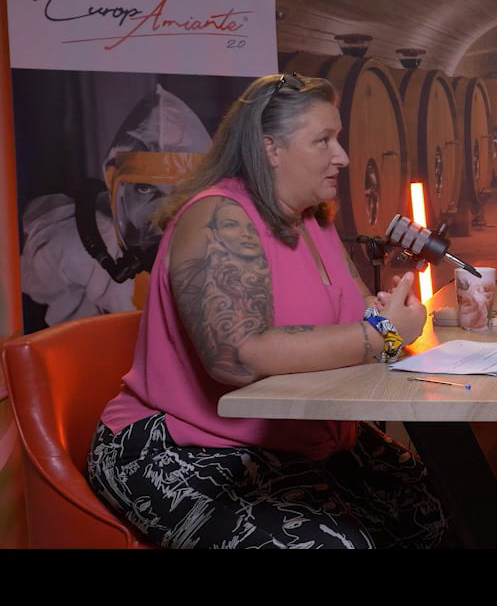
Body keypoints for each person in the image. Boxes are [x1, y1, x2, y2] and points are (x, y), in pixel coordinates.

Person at [86, 73, 449, 549]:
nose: (342, 156)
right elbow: (236, 358)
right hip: (182, 444)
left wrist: (392, 310)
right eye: (323, 140)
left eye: (337, 138)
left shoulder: (313, 219)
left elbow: (359, 307)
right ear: (270, 148)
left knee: (430, 510)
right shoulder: (218, 217)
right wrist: (384, 334)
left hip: (295, 436)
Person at [20, 83, 210, 327]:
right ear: (115, 184)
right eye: (145, 189)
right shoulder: (70, 248)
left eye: (181, 193)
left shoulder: (233, 255)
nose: (161, 215)